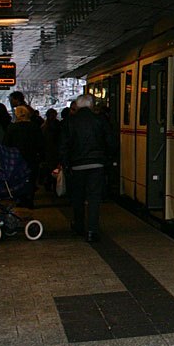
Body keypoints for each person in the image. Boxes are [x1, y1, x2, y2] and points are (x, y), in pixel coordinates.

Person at [59, 94, 117, 242]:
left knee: (78, 197)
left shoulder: (69, 122)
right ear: (91, 105)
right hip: (97, 165)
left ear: (77, 106)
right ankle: (92, 230)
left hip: (77, 165)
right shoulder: (100, 120)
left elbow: (64, 145)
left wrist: (66, 164)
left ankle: (79, 226)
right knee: (94, 198)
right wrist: (107, 159)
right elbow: (110, 142)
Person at [4, 105, 44, 208]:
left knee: (18, 179)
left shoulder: (11, 128)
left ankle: (20, 199)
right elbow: (40, 143)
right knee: (31, 179)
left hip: (16, 159)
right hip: (32, 158)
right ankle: (29, 199)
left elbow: (6, 144)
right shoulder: (34, 127)